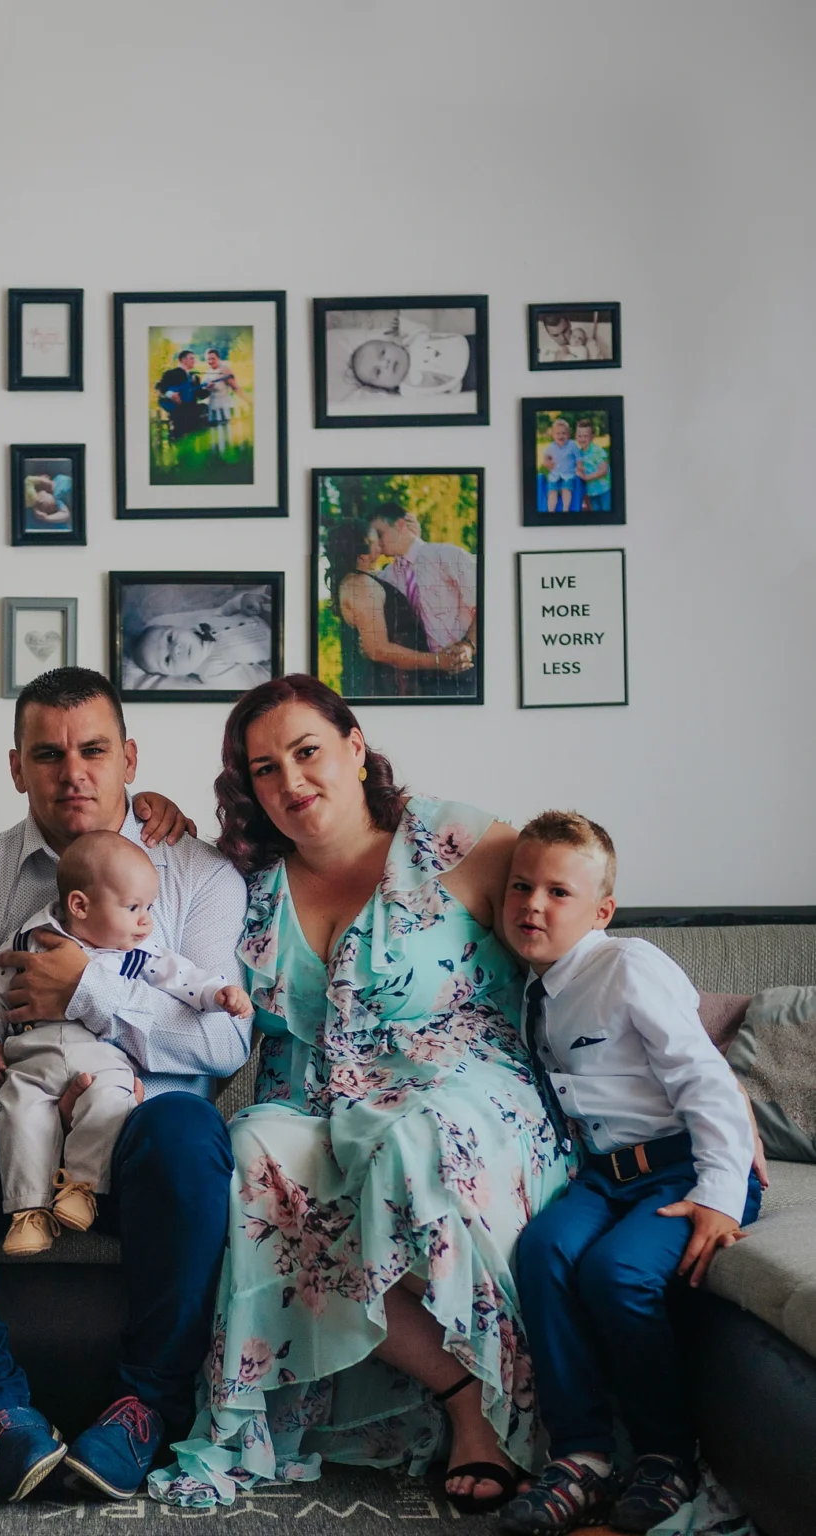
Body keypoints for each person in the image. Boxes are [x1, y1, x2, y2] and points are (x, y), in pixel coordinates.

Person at [149, 674, 572, 1513]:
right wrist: (147, 809)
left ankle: (504, 1414)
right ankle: (462, 1396)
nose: (292, 781)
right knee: (253, 1152)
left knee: (407, 1141)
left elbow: (584, 934)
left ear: (354, 747)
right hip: (315, 1109)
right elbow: (126, 905)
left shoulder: (453, 840)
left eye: (308, 751)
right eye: (265, 769)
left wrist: (699, 1071)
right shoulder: (246, 887)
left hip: (461, 1091)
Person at [0, 668, 251, 1504]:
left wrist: (88, 1000)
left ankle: (144, 1406)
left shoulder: (198, 879)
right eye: (48, 753)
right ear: (16, 767)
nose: (74, 772)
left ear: (128, 755)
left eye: (94, 750)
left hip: (133, 1126)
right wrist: (29, 1103)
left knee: (190, 1134)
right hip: (10, 1124)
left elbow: (220, 1041)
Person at [498, 813, 760, 1536]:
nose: (534, 905)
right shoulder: (533, 990)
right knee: (543, 1249)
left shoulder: (628, 966)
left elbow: (706, 1081)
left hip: (686, 1167)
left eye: (559, 892)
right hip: (607, 1176)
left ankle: (666, 1456)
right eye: (521, 886)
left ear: (601, 911)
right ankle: (581, 1454)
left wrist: (718, 1194)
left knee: (615, 1272)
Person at [0, 830, 253, 1257]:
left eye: (150, 907)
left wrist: (219, 994)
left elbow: (183, 978)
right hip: (31, 1057)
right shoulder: (28, 941)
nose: (147, 921)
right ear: (80, 905)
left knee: (112, 1104)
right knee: (20, 1117)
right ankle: (28, 1212)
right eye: (134, 908)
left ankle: (82, 1190)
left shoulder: (137, 954)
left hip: (102, 1058)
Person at [323, 519, 471, 699]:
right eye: (374, 540)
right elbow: (378, 649)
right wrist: (439, 661)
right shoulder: (360, 585)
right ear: (362, 555)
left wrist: (412, 539)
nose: (380, 544)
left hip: (404, 678)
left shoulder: (365, 580)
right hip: (394, 683)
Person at [367, 505, 478, 693]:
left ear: (401, 525)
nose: (376, 541)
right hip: (429, 677)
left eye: (379, 533)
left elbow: (488, 604)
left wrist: (469, 645)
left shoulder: (446, 556)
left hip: (471, 667)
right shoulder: (386, 578)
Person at [130, 589, 273, 690]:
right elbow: (257, 679)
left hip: (264, 610)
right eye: (167, 660)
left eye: (169, 638)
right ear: (175, 675)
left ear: (176, 627)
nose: (176, 649)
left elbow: (225, 610)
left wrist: (242, 601)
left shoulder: (199, 622)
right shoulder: (212, 672)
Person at [155, 348, 207, 439]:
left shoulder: (195, 377)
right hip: (178, 414)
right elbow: (159, 387)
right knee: (179, 439)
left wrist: (209, 389)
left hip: (192, 414)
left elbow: (201, 395)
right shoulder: (171, 373)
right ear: (183, 360)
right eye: (192, 358)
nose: (194, 361)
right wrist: (171, 394)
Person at [202, 346, 239, 454]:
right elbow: (204, 390)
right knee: (215, 430)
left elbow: (235, 387)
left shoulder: (224, 370)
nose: (210, 361)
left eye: (212, 358)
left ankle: (228, 452)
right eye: (208, 359)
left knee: (226, 429)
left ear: (218, 358)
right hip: (212, 404)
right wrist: (206, 388)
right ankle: (217, 454)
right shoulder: (207, 372)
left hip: (224, 404)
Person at [541, 417, 580, 512]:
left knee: (566, 489)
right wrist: (546, 462)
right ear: (553, 435)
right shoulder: (551, 446)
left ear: (568, 435)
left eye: (564, 433)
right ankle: (551, 510)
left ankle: (565, 509)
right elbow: (545, 457)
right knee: (552, 491)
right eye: (558, 433)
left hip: (568, 474)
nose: (561, 436)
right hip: (554, 474)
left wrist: (580, 467)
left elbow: (579, 458)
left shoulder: (572, 445)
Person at [573, 419, 612, 513]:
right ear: (576, 437)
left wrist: (587, 477)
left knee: (607, 512)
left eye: (585, 436)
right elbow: (578, 468)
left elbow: (604, 470)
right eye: (579, 436)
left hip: (604, 490)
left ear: (592, 437)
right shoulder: (579, 454)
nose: (582, 439)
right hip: (591, 492)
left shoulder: (598, 451)